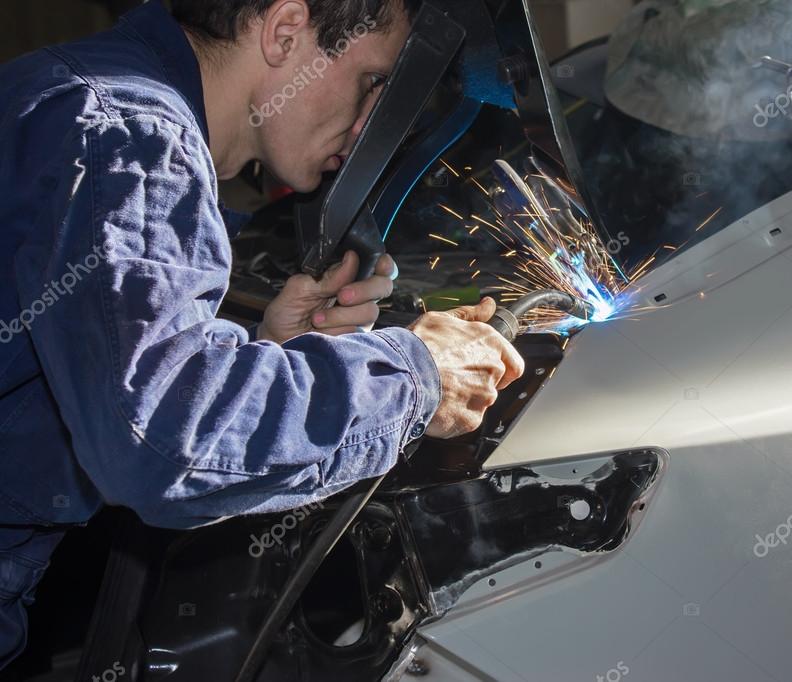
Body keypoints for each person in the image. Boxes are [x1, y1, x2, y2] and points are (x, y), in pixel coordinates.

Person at [0, 0, 524, 668]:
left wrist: (264, 352)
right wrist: (416, 378)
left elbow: (94, 382)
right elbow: (162, 443)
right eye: (371, 81)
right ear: (284, 31)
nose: (371, 121)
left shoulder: (81, 93)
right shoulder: (131, 135)